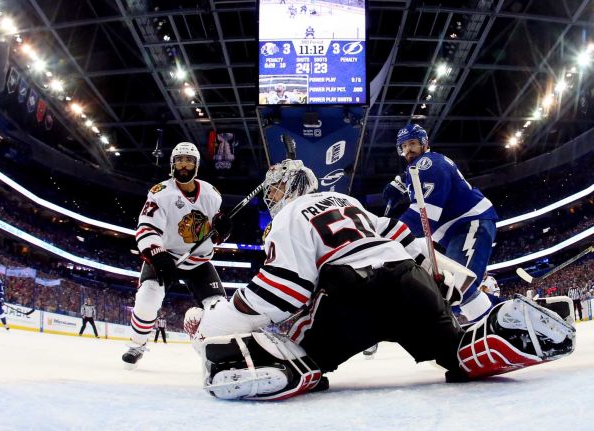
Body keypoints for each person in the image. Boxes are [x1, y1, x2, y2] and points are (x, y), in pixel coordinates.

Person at [184, 160, 575, 400]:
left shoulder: (288, 216)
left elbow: (284, 290)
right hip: (409, 279)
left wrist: (220, 319)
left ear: (290, 187)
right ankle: (498, 335)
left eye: (275, 189)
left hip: (352, 293)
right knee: (454, 352)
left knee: (303, 356)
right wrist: (447, 275)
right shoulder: (349, 202)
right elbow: (408, 241)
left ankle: (283, 367)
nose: (272, 196)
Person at [123, 142, 232, 368]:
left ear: (197, 166)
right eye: (179, 160)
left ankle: (220, 353)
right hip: (166, 256)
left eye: (189, 161)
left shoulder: (212, 195)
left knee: (218, 307)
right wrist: (158, 254)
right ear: (172, 165)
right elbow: (146, 228)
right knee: (147, 297)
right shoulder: (160, 193)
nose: (184, 165)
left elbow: (214, 234)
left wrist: (223, 230)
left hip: (199, 261)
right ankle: (136, 345)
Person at [383, 124, 499, 322]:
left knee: (458, 286)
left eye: (412, 143)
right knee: (449, 290)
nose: (408, 149)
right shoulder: (417, 168)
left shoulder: (428, 164)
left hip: (470, 224)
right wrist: (401, 184)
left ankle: (506, 327)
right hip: (459, 230)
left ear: (424, 144)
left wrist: (389, 236)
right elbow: (416, 182)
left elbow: (423, 215)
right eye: (403, 146)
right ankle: (506, 313)